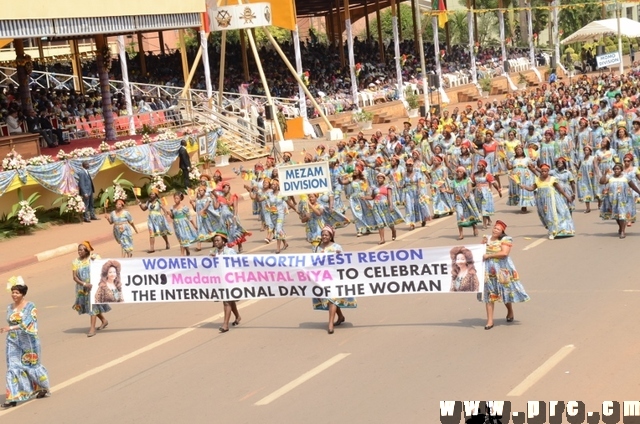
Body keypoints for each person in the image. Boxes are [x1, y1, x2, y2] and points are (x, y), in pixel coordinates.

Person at [1, 278, 50, 407]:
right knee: (13, 367)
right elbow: (10, 321)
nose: (14, 295)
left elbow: (28, 322)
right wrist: (9, 329)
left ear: (23, 294)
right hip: (13, 341)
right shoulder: (9, 307)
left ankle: (42, 387)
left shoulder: (30, 306)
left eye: (17, 292)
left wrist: (10, 328)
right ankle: (12, 397)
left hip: (29, 341)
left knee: (32, 365)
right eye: (13, 292)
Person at [481, 220, 530, 330]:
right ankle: (490, 321)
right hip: (488, 271)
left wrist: (489, 256)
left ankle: (510, 311)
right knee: (489, 295)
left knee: (504, 292)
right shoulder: (486, 238)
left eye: (498, 229)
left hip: (502, 270)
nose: (495, 230)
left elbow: (504, 253)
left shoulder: (505, 239)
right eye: (494, 228)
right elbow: (479, 251)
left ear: (502, 231)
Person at [311, 226, 356, 334]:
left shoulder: (337, 247)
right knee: (330, 300)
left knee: (332, 298)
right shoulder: (317, 248)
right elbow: (312, 263)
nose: (324, 237)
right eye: (323, 235)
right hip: (323, 278)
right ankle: (340, 317)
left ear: (331, 236)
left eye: (326, 235)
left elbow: (344, 260)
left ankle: (330, 324)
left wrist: (339, 256)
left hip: (335, 277)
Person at [520, 163, 575, 239]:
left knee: (551, 215)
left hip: (552, 200)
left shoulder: (553, 179)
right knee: (544, 216)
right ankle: (551, 229)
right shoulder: (538, 180)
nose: (543, 173)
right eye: (542, 171)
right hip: (541, 202)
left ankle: (553, 232)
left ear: (548, 171)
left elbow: (560, 189)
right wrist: (525, 187)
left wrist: (567, 197)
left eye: (545, 171)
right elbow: (531, 188)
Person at [72, 241, 110, 337]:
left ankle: (92, 329)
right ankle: (104, 320)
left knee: (92, 306)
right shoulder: (76, 262)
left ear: (87, 250)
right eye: (78, 250)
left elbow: (103, 268)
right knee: (89, 306)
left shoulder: (94, 257)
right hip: (83, 288)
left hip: (94, 287)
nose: (79, 252)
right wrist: (84, 284)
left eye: (81, 250)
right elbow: (75, 277)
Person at [597, 162, 640, 238]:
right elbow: (602, 182)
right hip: (613, 200)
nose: (616, 170)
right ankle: (620, 227)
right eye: (615, 169)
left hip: (624, 199)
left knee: (622, 214)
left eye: (618, 169)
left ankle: (623, 231)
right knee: (616, 215)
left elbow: (633, 186)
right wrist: (604, 173)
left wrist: (639, 192)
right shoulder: (610, 177)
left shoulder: (626, 177)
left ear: (621, 170)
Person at [210, 233, 241, 333]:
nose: (216, 242)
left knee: (227, 301)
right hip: (219, 281)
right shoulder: (212, 253)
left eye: (218, 240)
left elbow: (237, 263)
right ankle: (238, 316)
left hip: (230, 280)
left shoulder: (230, 251)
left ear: (223, 241)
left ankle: (225, 325)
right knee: (230, 301)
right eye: (215, 241)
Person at [168, 192, 197, 256]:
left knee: (183, 238)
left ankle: (182, 254)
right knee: (180, 238)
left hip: (183, 225)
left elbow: (189, 216)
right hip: (176, 225)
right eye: (174, 198)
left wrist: (194, 225)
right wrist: (170, 214)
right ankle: (187, 250)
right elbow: (172, 217)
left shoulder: (184, 207)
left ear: (180, 199)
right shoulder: (172, 207)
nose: (175, 200)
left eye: (177, 198)